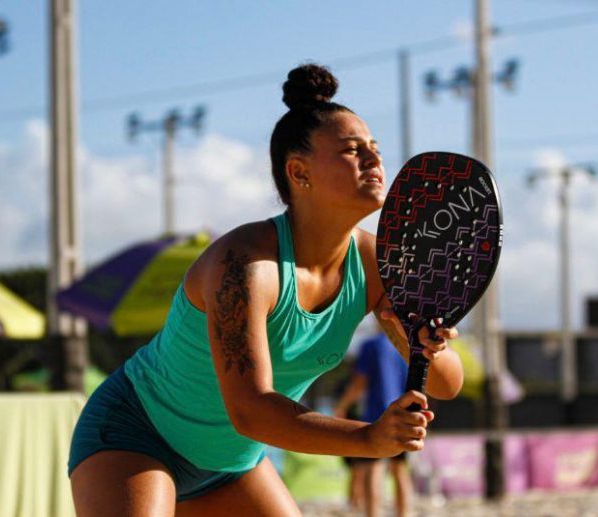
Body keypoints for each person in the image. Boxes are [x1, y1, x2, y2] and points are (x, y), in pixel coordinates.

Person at [68, 63, 464, 516]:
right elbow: (251, 410)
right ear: (299, 172)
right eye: (352, 150)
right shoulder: (246, 265)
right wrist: (369, 438)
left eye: (375, 148)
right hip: (138, 435)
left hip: (233, 464)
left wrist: (422, 343)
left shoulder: (376, 263)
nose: (374, 161)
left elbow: (446, 383)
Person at [335, 331, 414, 517]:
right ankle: (404, 513)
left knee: (374, 467)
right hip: (403, 411)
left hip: (376, 413)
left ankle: (373, 514)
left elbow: (359, 383)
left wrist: (342, 406)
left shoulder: (371, 345)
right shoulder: (407, 346)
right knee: (399, 469)